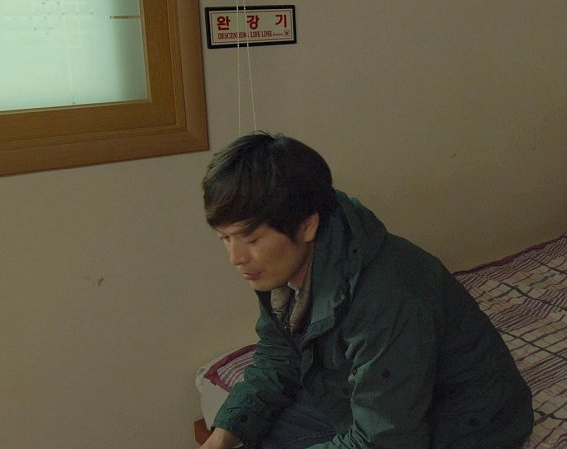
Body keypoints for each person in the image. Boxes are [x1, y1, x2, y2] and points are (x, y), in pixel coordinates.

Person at [199, 132, 533, 449]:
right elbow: (280, 355)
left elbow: (387, 440)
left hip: (465, 421)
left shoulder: (389, 295)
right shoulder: (276, 269)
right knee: (255, 433)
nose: (235, 258)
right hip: (368, 397)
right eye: (225, 238)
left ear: (307, 225)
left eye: (251, 240)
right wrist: (224, 434)